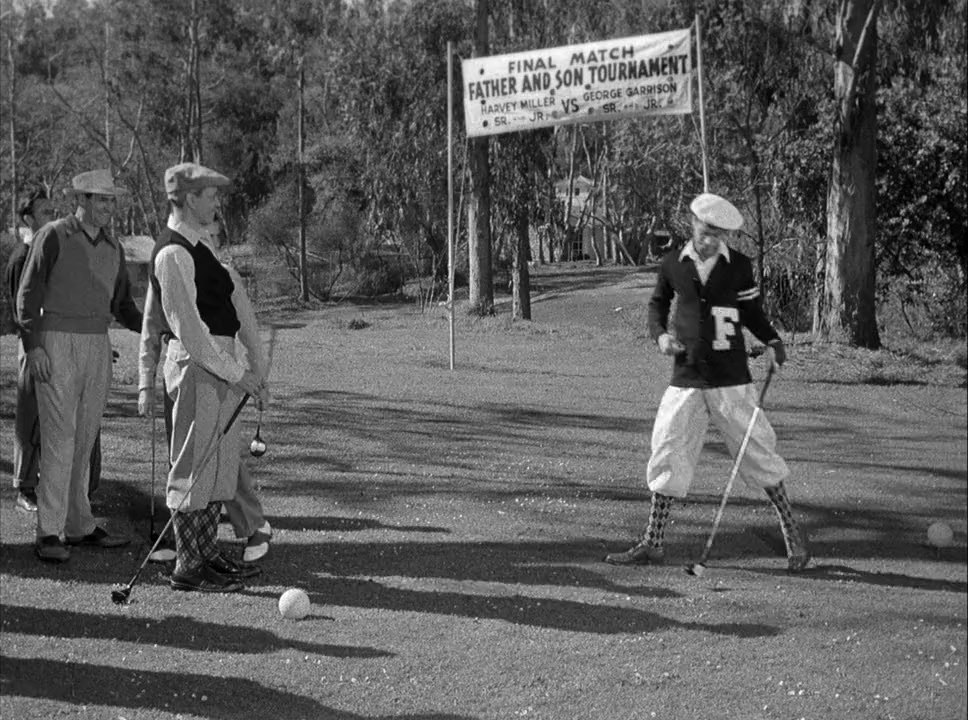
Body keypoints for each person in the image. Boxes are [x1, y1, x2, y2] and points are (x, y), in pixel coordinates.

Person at [605, 192, 810, 573]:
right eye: (706, 231)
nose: (712, 239)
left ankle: (791, 533)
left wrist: (773, 340)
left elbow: (752, 312)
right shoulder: (673, 263)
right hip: (686, 375)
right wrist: (660, 336)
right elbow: (657, 305)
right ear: (694, 224)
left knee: (757, 450)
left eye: (719, 234)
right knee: (668, 448)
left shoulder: (739, 267)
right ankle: (653, 542)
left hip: (730, 378)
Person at [149, 162, 268, 593]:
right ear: (188, 198)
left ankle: (206, 553)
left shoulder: (202, 245)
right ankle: (188, 566)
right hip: (197, 368)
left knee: (216, 468)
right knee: (193, 467)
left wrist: (249, 367)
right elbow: (192, 333)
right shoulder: (172, 253)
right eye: (210, 195)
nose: (217, 202)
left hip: (218, 365)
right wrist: (239, 374)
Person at [16, 170, 144, 562]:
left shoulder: (114, 246)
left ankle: (78, 525)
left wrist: (156, 328)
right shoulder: (53, 235)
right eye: (101, 199)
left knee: (84, 440)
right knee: (60, 439)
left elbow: (123, 306)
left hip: (97, 345)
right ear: (82, 200)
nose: (109, 207)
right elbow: (27, 294)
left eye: (111, 200)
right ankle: (49, 532)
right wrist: (33, 347)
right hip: (55, 343)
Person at [6, 190, 55, 512]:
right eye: (44, 212)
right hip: (31, 345)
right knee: (29, 417)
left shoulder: (46, 251)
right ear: (28, 218)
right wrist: (33, 346)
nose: (52, 217)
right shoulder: (21, 257)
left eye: (53, 211)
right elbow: (20, 309)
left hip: (51, 342)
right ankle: (24, 488)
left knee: (48, 417)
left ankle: (42, 482)